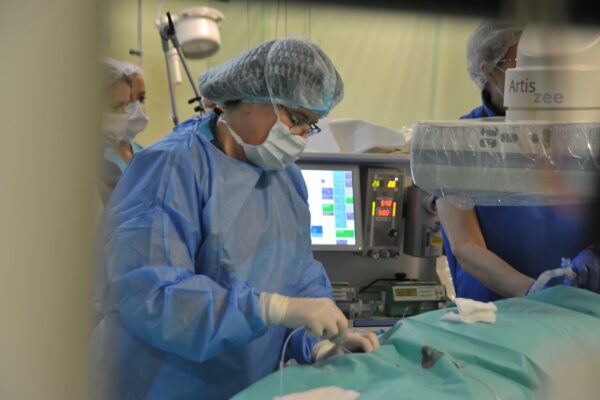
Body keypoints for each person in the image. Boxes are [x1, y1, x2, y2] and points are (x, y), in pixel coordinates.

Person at [93, 39, 379, 400]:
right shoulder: (170, 168)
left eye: (311, 125)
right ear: (247, 99)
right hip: (161, 385)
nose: (301, 136)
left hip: (246, 386)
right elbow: (153, 296)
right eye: (296, 119)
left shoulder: (286, 178)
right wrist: (272, 308)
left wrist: (320, 342)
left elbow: (299, 275)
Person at [436, 20, 597, 301]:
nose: (540, 72)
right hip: (494, 311)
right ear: (489, 70)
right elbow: (466, 245)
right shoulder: (458, 142)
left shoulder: (585, 135)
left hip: (579, 303)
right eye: (521, 60)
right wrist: (534, 292)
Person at [99, 58, 149, 203]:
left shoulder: (144, 154)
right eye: (126, 102)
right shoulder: (99, 159)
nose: (137, 107)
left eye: (141, 98)